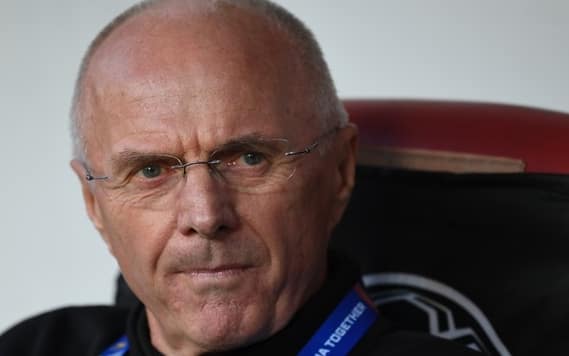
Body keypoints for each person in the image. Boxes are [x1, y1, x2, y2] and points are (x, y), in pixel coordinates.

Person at [0, 1, 482, 355]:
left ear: (340, 170)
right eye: (150, 171)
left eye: (248, 158)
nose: (205, 216)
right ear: (93, 204)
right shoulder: (37, 347)